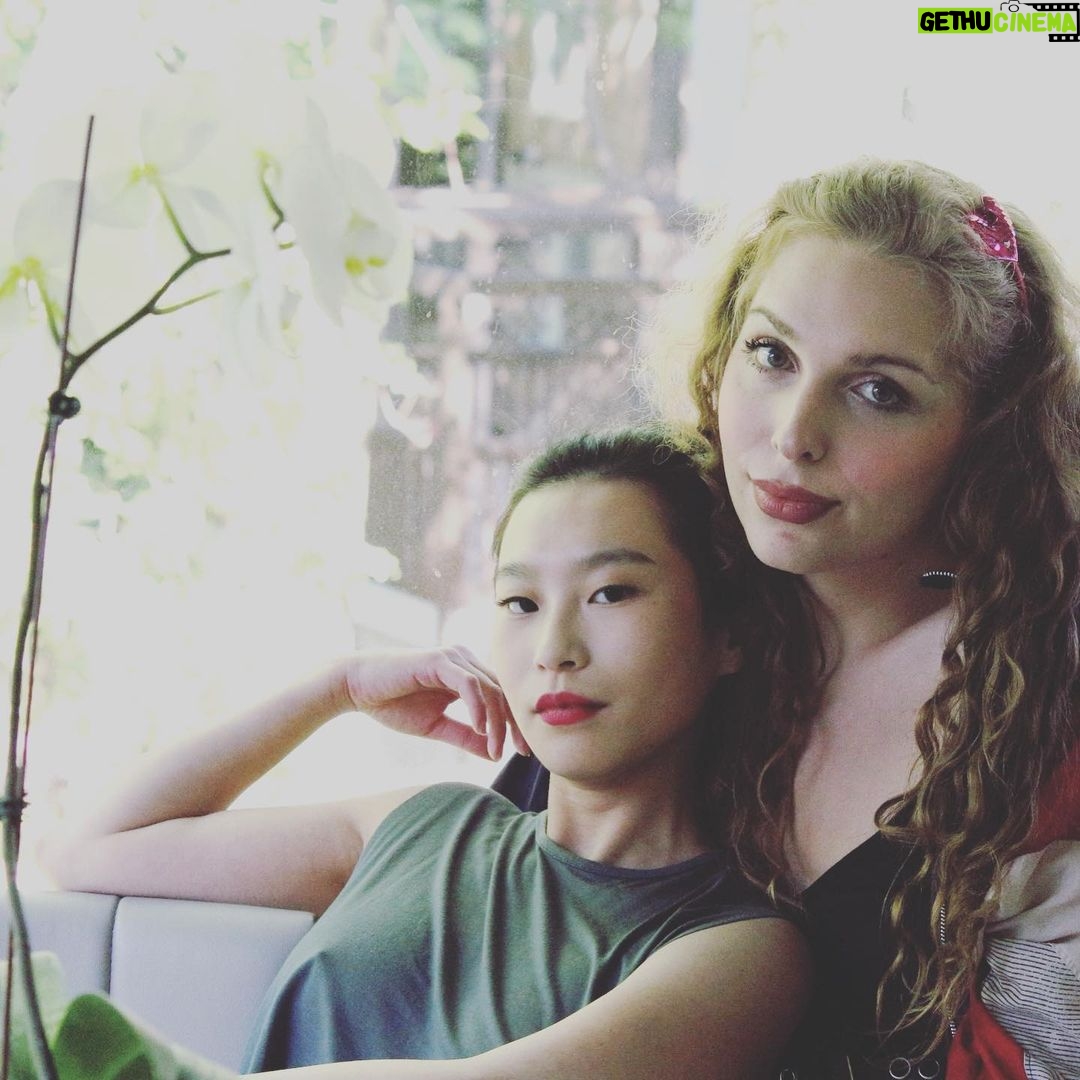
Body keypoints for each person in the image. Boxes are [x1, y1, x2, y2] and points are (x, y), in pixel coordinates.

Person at [496, 159, 1080, 1080]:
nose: (794, 433)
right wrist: (343, 691)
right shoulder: (662, 598)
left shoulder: (1045, 701)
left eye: (878, 391)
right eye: (772, 356)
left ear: (987, 430)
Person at [40, 424, 809, 1079]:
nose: (554, 648)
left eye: (610, 592)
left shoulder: (743, 951)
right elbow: (92, 849)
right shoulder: (424, 828)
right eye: (520, 602)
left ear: (727, 634)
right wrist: (337, 688)